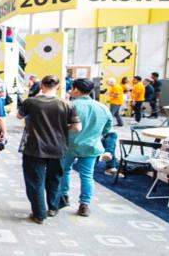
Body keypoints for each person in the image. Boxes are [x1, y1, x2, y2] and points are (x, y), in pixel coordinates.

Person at [17, 75, 81, 224]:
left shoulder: (31, 102)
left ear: (41, 86)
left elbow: (19, 116)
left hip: (34, 147)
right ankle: (53, 207)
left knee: (35, 181)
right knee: (55, 178)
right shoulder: (67, 104)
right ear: (58, 86)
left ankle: (39, 214)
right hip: (58, 147)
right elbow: (77, 127)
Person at [58, 79, 112, 217]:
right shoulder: (102, 107)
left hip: (69, 145)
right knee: (87, 176)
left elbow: (59, 126)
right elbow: (107, 129)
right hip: (91, 147)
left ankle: (63, 197)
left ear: (76, 90)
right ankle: (84, 205)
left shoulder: (69, 106)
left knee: (64, 171)